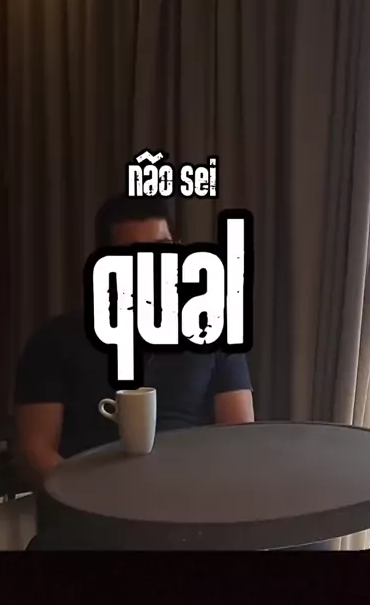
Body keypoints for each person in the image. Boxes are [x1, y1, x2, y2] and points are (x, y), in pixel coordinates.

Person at [14, 194, 254, 531]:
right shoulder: (54, 340)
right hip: (93, 517)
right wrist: (98, 500)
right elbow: (35, 452)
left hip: (193, 513)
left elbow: (238, 434)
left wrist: (198, 498)